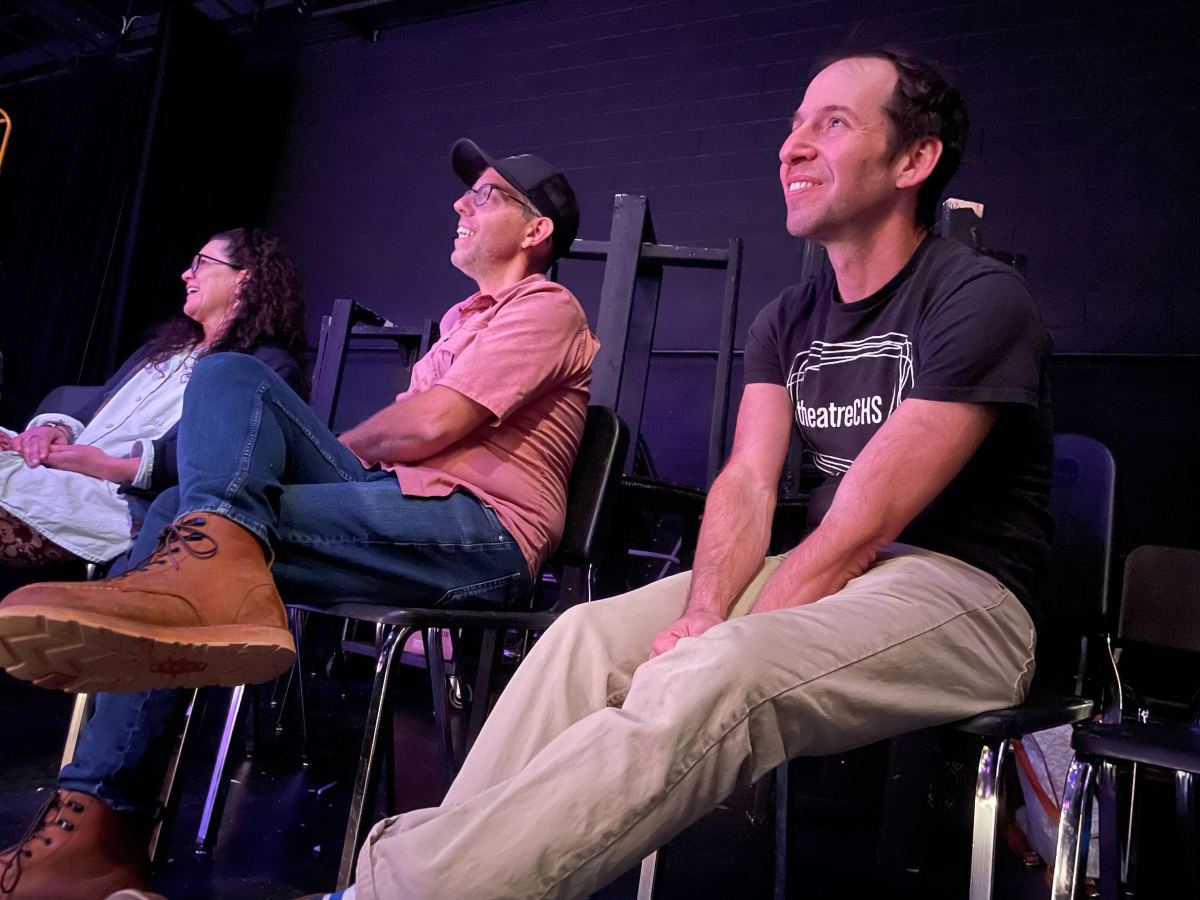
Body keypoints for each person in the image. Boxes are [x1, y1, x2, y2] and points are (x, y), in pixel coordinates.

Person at [314, 47, 1048, 899]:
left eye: (833, 123)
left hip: (966, 597)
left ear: (914, 161)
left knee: (715, 669)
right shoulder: (789, 317)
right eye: (795, 123)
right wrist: (703, 610)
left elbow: (868, 517)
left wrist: (723, 635)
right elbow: (747, 480)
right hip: (839, 569)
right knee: (579, 641)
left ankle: (385, 894)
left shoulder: (977, 296)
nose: (792, 146)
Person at [0, 140, 595, 900]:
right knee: (219, 399)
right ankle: (95, 831)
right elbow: (407, 443)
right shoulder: (456, 321)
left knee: (233, 390)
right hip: (399, 507)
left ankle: (97, 827)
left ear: (535, 228)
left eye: (482, 196)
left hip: (478, 536)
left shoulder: (547, 307)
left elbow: (431, 425)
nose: (458, 206)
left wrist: (326, 447)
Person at [0, 227, 308, 568]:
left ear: (243, 279)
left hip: (118, 500)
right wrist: (52, 429)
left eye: (201, 262)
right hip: (64, 470)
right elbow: (94, 407)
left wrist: (107, 466)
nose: (186, 273)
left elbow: (217, 461)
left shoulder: (261, 367)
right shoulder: (164, 348)